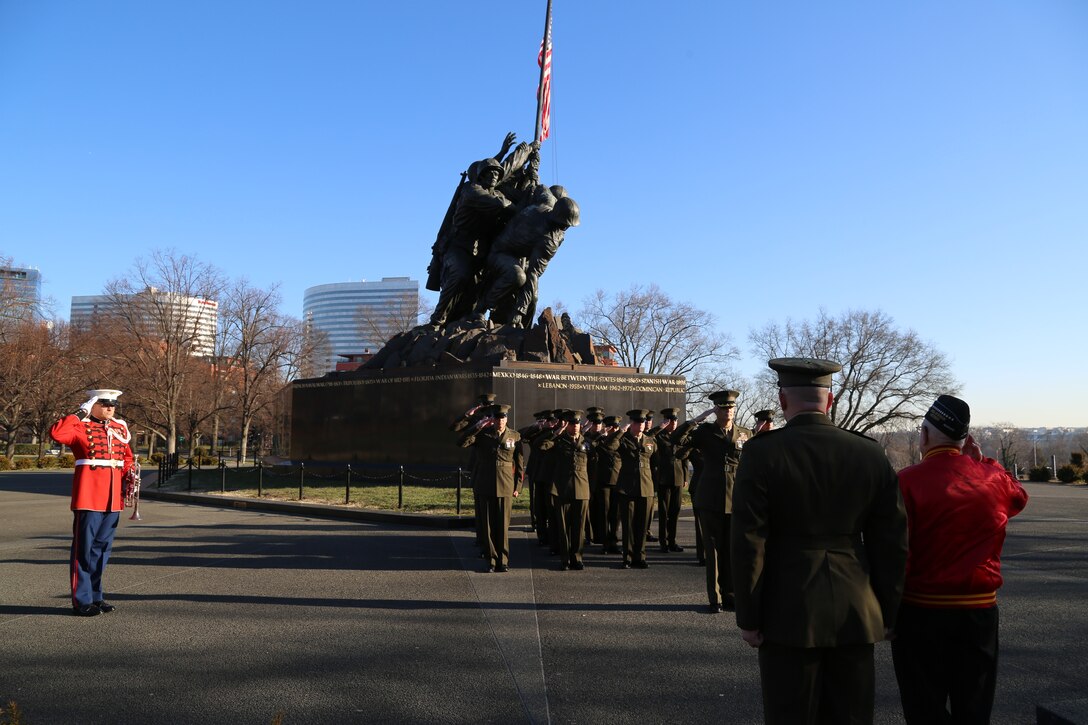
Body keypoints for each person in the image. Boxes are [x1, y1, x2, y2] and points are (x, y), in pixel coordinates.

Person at [731, 358, 908, 725]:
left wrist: (749, 616)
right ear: (831, 401)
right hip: (856, 609)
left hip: (787, 609)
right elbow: (891, 542)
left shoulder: (762, 453)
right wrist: (888, 612)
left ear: (782, 401)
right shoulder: (869, 453)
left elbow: (750, 540)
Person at [891, 395, 1028, 724]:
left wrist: (888, 610)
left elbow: (899, 552)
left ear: (924, 436)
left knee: (925, 708)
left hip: (920, 612)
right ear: (966, 439)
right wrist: (986, 463)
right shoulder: (991, 479)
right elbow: (1018, 496)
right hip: (978, 610)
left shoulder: (907, 481)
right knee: (974, 709)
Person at [50, 389, 135, 616]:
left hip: (112, 499)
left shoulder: (119, 428)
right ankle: (81, 600)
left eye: (113, 405)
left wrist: (128, 475)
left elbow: (126, 456)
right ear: (93, 404)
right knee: (84, 550)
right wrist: (81, 412)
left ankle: (96, 597)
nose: (110, 408)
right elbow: (58, 434)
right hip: (88, 496)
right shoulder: (80, 426)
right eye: (105, 404)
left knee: (102, 550)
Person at [673, 390, 751, 612]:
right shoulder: (705, 432)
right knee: (714, 550)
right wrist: (695, 421)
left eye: (731, 408)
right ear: (716, 410)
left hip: (735, 499)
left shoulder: (744, 434)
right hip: (711, 498)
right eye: (723, 408)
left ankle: (731, 596)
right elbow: (676, 440)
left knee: (732, 550)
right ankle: (714, 598)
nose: (728, 412)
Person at [458, 404, 524, 572]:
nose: (500, 421)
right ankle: (491, 559)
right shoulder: (482, 434)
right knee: (487, 526)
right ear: (492, 419)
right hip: (485, 484)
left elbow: (520, 463)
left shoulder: (515, 436)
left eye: (503, 418)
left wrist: (518, 486)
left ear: (506, 419)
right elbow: (462, 442)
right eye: (497, 418)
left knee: (502, 526)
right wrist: (477, 427)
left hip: (506, 486)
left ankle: (503, 559)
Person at [539, 409, 591, 570]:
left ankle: (577, 557)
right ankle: (565, 558)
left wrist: (591, 486)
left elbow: (594, 465)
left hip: (581, 489)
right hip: (562, 489)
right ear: (567, 425)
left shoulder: (586, 443)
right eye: (572, 423)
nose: (575, 426)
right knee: (563, 527)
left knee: (579, 527)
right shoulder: (559, 441)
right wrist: (557, 432)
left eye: (577, 423)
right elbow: (542, 446)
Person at [608, 409, 656, 569]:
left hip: (646, 487)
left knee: (642, 526)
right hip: (627, 487)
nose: (641, 425)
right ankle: (627, 557)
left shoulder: (650, 441)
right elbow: (610, 446)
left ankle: (640, 557)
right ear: (632, 424)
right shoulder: (623, 439)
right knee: (628, 524)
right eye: (637, 422)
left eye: (642, 422)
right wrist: (621, 432)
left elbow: (654, 459)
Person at [651, 408, 686, 553]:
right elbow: (648, 436)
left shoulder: (680, 436)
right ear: (666, 421)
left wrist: (684, 476)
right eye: (670, 421)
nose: (673, 423)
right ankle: (663, 542)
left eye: (675, 420)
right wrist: (660, 427)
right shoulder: (659, 436)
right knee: (664, 512)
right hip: (664, 477)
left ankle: (672, 541)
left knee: (675, 512)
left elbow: (684, 457)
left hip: (677, 477)